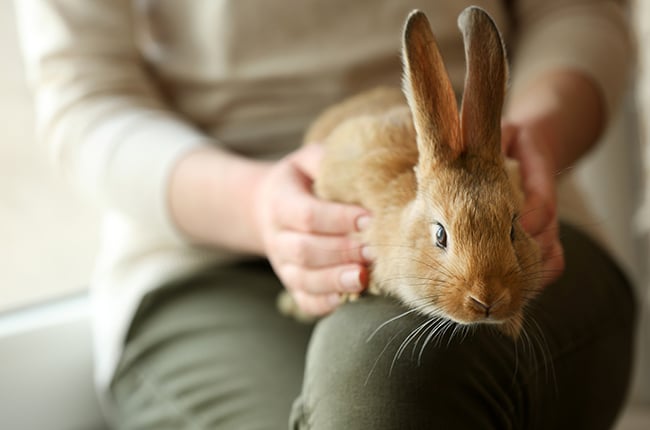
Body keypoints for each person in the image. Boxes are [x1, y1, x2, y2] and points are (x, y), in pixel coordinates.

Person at [15, 0, 636, 428]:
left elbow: (580, 12)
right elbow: (83, 97)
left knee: (383, 390)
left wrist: (534, 139)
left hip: (516, 209)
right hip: (207, 251)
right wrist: (257, 207)